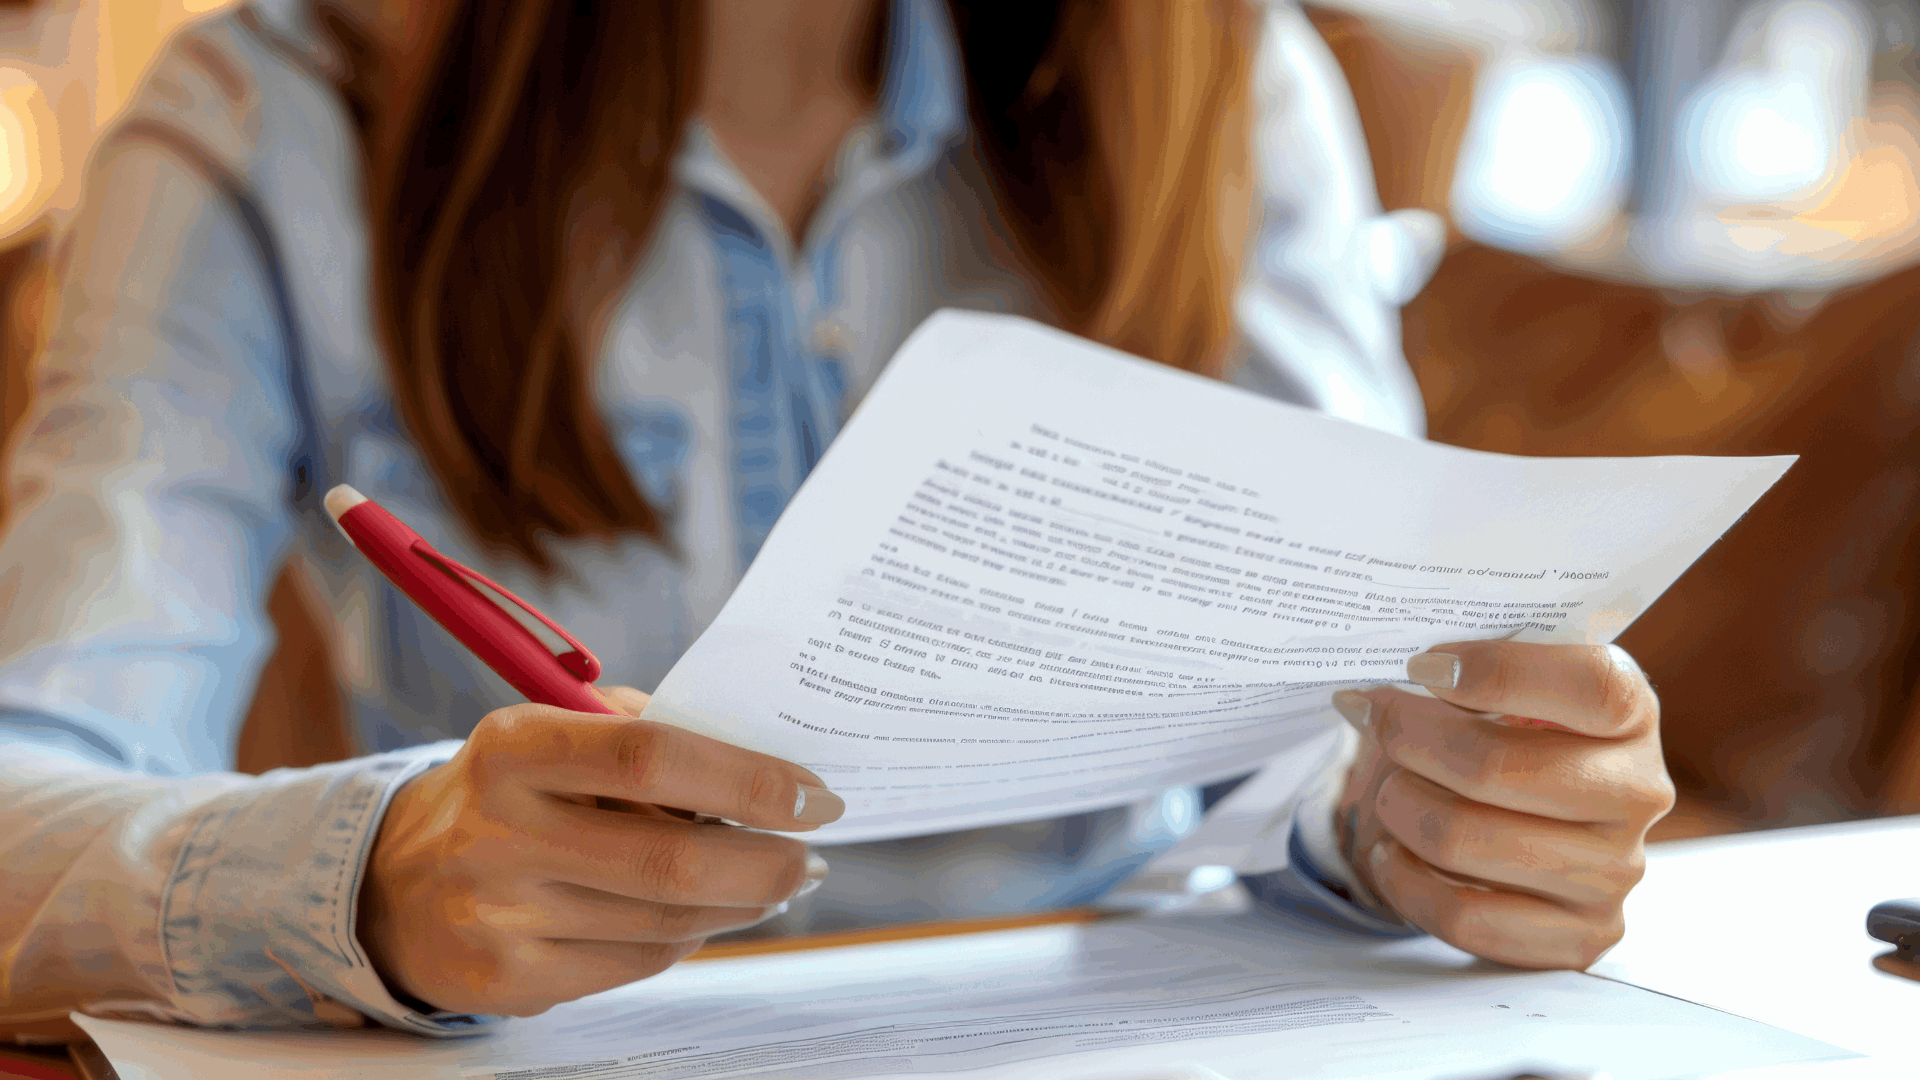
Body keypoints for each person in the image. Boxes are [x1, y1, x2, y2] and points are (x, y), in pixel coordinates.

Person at [0, 0, 1675, 1038]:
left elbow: (1331, 712)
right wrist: (374, 880)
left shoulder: (1220, 72)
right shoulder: (266, 114)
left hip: (1141, 1026)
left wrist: (1423, 817)